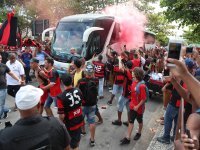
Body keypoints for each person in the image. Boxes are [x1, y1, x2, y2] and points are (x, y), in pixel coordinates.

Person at [0, 85, 71, 150]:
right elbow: (67, 148)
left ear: (18, 107)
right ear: (39, 105)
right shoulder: (56, 124)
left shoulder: (4, 137)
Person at [120, 67, 147, 145]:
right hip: (132, 106)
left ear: (136, 74)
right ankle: (127, 138)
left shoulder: (142, 86)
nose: (132, 72)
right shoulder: (133, 82)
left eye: (133, 72)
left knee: (139, 121)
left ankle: (139, 132)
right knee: (131, 121)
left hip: (138, 108)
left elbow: (144, 99)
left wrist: (137, 106)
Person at [57, 73, 84, 150]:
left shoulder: (60, 97)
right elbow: (81, 104)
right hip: (79, 119)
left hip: (70, 123)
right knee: (76, 139)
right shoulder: (78, 90)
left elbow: (62, 116)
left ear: (62, 82)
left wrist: (61, 123)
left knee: (72, 143)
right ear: (72, 80)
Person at [77, 64, 99, 147]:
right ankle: (92, 140)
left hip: (83, 104)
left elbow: (78, 91)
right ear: (92, 72)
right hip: (93, 104)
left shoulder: (81, 81)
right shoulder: (96, 80)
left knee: (81, 118)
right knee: (92, 122)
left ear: (85, 72)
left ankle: (83, 131)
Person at [0, 54, 22, 123]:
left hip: (2, 87)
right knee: (1, 104)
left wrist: (18, 79)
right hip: (6, 85)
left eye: (0, 58)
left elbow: (11, 73)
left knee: (1, 103)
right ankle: (5, 110)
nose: (0, 59)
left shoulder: (4, 66)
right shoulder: (6, 64)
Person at [112, 60, 133, 126]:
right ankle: (128, 121)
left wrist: (120, 61)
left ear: (126, 66)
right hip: (130, 92)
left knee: (120, 107)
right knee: (128, 108)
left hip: (125, 93)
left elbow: (121, 69)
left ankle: (119, 121)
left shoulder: (128, 72)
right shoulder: (132, 72)